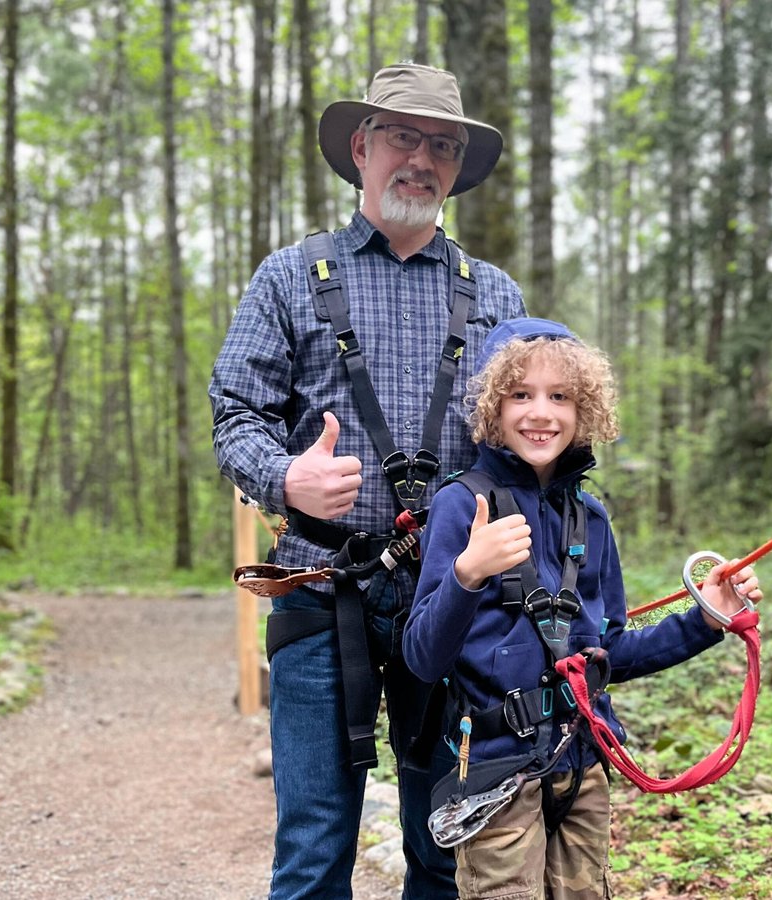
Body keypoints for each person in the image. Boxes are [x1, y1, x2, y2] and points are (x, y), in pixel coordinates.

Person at [209, 63, 526, 900]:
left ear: (458, 166)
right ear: (361, 148)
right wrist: (286, 479)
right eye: (402, 137)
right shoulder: (287, 275)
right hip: (322, 589)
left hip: (455, 600)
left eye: (443, 145)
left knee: (448, 841)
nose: (421, 159)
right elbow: (233, 412)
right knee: (314, 847)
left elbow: (533, 438)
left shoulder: (495, 295)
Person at [403, 318, 763, 899]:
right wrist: (469, 572)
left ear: (584, 409)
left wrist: (707, 619)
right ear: (493, 407)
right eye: (520, 394)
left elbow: (610, 652)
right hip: (495, 770)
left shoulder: (590, 519)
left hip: (582, 761)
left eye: (559, 396)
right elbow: (422, 657)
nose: (540, 413)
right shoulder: (460, 505)